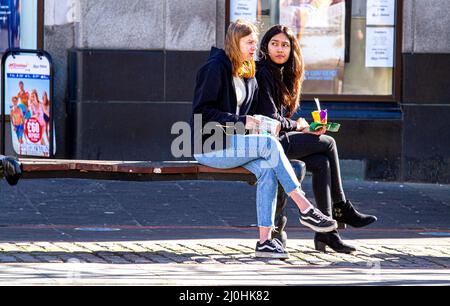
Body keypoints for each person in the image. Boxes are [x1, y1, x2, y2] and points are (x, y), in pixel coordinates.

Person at [191, 19, 337, 260]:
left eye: (254, 43)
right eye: (248, 42)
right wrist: (242, 122)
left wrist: (262, 122)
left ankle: (265, 241)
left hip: (235, 144)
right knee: (270, 145)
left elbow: (254, 114)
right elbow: (202, 114)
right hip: (210, 145)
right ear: (234, 42)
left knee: (268, 169)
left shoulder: (248, 70)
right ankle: (305, 208)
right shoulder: (215, 68)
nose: (253, 48)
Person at [255, 25, 377, 253]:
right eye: (274, 44)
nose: (280, 49)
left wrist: (302, 127)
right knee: (329, 143)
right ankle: (341, 206)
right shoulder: (262, 72)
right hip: (266, 144)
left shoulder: (283, 74)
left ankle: (327, 235)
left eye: (285, 45)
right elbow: (271, 119)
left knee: (322, 163)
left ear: (292, 50)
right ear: (266, 46)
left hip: (279, 140)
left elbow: (282, 118)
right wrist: (300, 126)